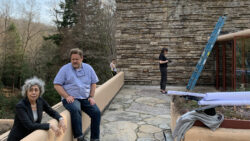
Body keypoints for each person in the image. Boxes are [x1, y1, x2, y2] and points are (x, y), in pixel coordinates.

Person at [54, 48, 101, 141]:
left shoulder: (88, 68)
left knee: (96, 112)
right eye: (72, 59)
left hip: (85, 98)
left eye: (77, 59)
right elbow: (57, 84)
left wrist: (91, 96)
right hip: (71, 99)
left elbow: (93, 83)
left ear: (82, 58)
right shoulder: (64, 69)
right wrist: (67, 96)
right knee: (75, 109)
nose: (74, 61)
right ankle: (80, 137)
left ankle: (95, 138)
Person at [7, 77, 66, 141]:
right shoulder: (21, 106)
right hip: (17, 138)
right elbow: (29, 125)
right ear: (26, 92)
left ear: (40, 92)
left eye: (36, 90)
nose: (33, 92)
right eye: (31, 90)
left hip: (31, 136)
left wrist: (60, 119)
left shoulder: (40, 101)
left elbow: (51, 112)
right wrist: (50, 125)